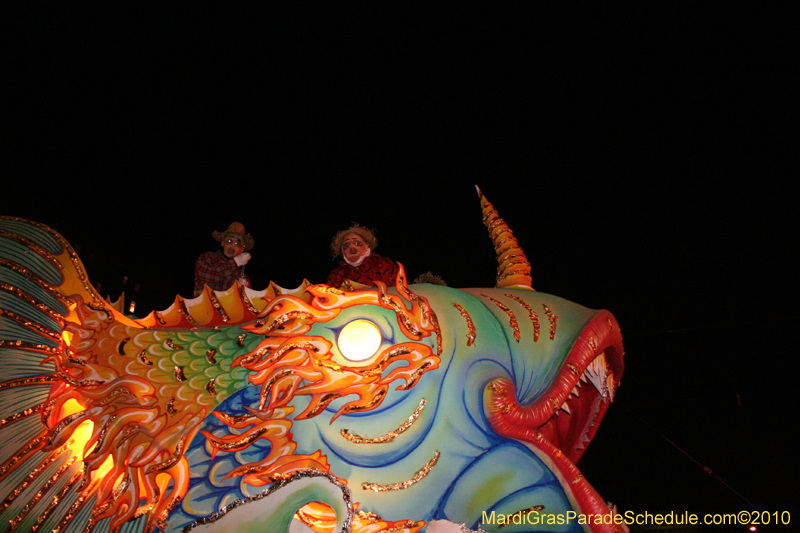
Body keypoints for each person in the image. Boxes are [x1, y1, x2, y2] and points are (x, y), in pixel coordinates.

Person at [327, 224, 399, 288]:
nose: (352, 247)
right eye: (346, 245)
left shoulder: (383, 265)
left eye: (357, 243)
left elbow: (399, 289)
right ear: (343, 251)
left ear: (366, 246)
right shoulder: (337, 273)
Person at [193, 222, 254, 296]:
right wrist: (235, 262)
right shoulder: (208, 257)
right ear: (223, 243)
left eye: (238, 243)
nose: (232, 245)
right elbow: (207, 277)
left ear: (241, 250)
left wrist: (243, 290)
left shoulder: (242, 276)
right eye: (229, 241)